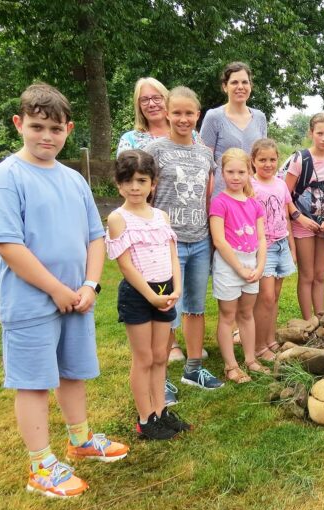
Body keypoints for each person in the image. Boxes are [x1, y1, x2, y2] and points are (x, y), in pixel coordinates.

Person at [0, 83, 128, 498]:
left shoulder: (74, 180)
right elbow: (8, 245)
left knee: (72, 372)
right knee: (33, 382)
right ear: (18, 124)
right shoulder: (6, 178)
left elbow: (95, 236)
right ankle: (41, 465)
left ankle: (80, 440)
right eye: (37, 126)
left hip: (77, 299)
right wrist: (56, 290)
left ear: (69, 129)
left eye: (55, 128)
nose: (46, 136)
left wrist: (89, 285)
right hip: (31, 303)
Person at [106, 150, 191, 440]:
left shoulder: (160, 216)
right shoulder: (118, 218)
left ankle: (160, 411)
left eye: (141, 181)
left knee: (159, 355)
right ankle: (145, 419)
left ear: (153, 183)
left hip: (165, 290)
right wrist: (150, 296)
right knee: (143, 358)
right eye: (128, 181)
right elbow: (126, 265)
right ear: (118, 184)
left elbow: (172, 254)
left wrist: (176, 288)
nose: (135, 187)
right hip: (138, 295)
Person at [145, 86, 224, 394]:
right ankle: (160, 377)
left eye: (189, 113)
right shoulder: (155, 150)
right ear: (167, 113)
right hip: (167, 243)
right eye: (176, 112)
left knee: (195, 306)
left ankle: (193, 368)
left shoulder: (205, 154)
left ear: (197, 115)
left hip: (200, 240)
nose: (183, 119)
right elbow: (146, 196)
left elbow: (207, 196)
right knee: (166, 309)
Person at [210, 148, 269, 382]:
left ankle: (250, 359)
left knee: (246, 313)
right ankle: (231, 366)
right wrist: (239, 268)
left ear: (249, 173)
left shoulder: (254, 204)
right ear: (222, 173)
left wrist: (260, 266)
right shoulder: (219, 203)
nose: (236, 177)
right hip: (229, 265)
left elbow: (262, 238)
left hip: (251, 263)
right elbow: (219, 240)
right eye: (230, 172)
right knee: (228, 315)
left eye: (241, 172)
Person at [283, 112, 324, 320]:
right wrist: (299, 218)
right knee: (307, 275)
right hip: (302, 224)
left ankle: (320, 318)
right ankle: (307, 321)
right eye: (320, 133)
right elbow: (284, 195)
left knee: (320, 275)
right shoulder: (300, 160)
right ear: (311, 133)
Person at [251, 139, 297, 360]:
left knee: (275, 296)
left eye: (272, 159)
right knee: (266, 297)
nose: (268, 164)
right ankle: (258, 346)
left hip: (281, 244)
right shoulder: (250, 186)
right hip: (264, 247)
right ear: (253, 161)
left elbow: (285, 215)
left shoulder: (280, 184)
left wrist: (292, 247)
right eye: (262, 160)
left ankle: (270, 340)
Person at [200, 61, 268, 197]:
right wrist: (206, 198)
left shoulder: (260, 118)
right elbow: (204, 162)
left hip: (251, 196)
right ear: (225, 87)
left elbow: (263, 158)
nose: (240, 87)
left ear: (250, 86)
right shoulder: (214, 117)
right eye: (234, 82)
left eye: (245, 82)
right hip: (221, 196)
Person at [116, 77, 202, 156]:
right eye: (144, 100)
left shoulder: (191, 135)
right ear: (139, 106)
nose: (151, 104)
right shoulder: (129, 139)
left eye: (156, 98)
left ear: (167, 100)